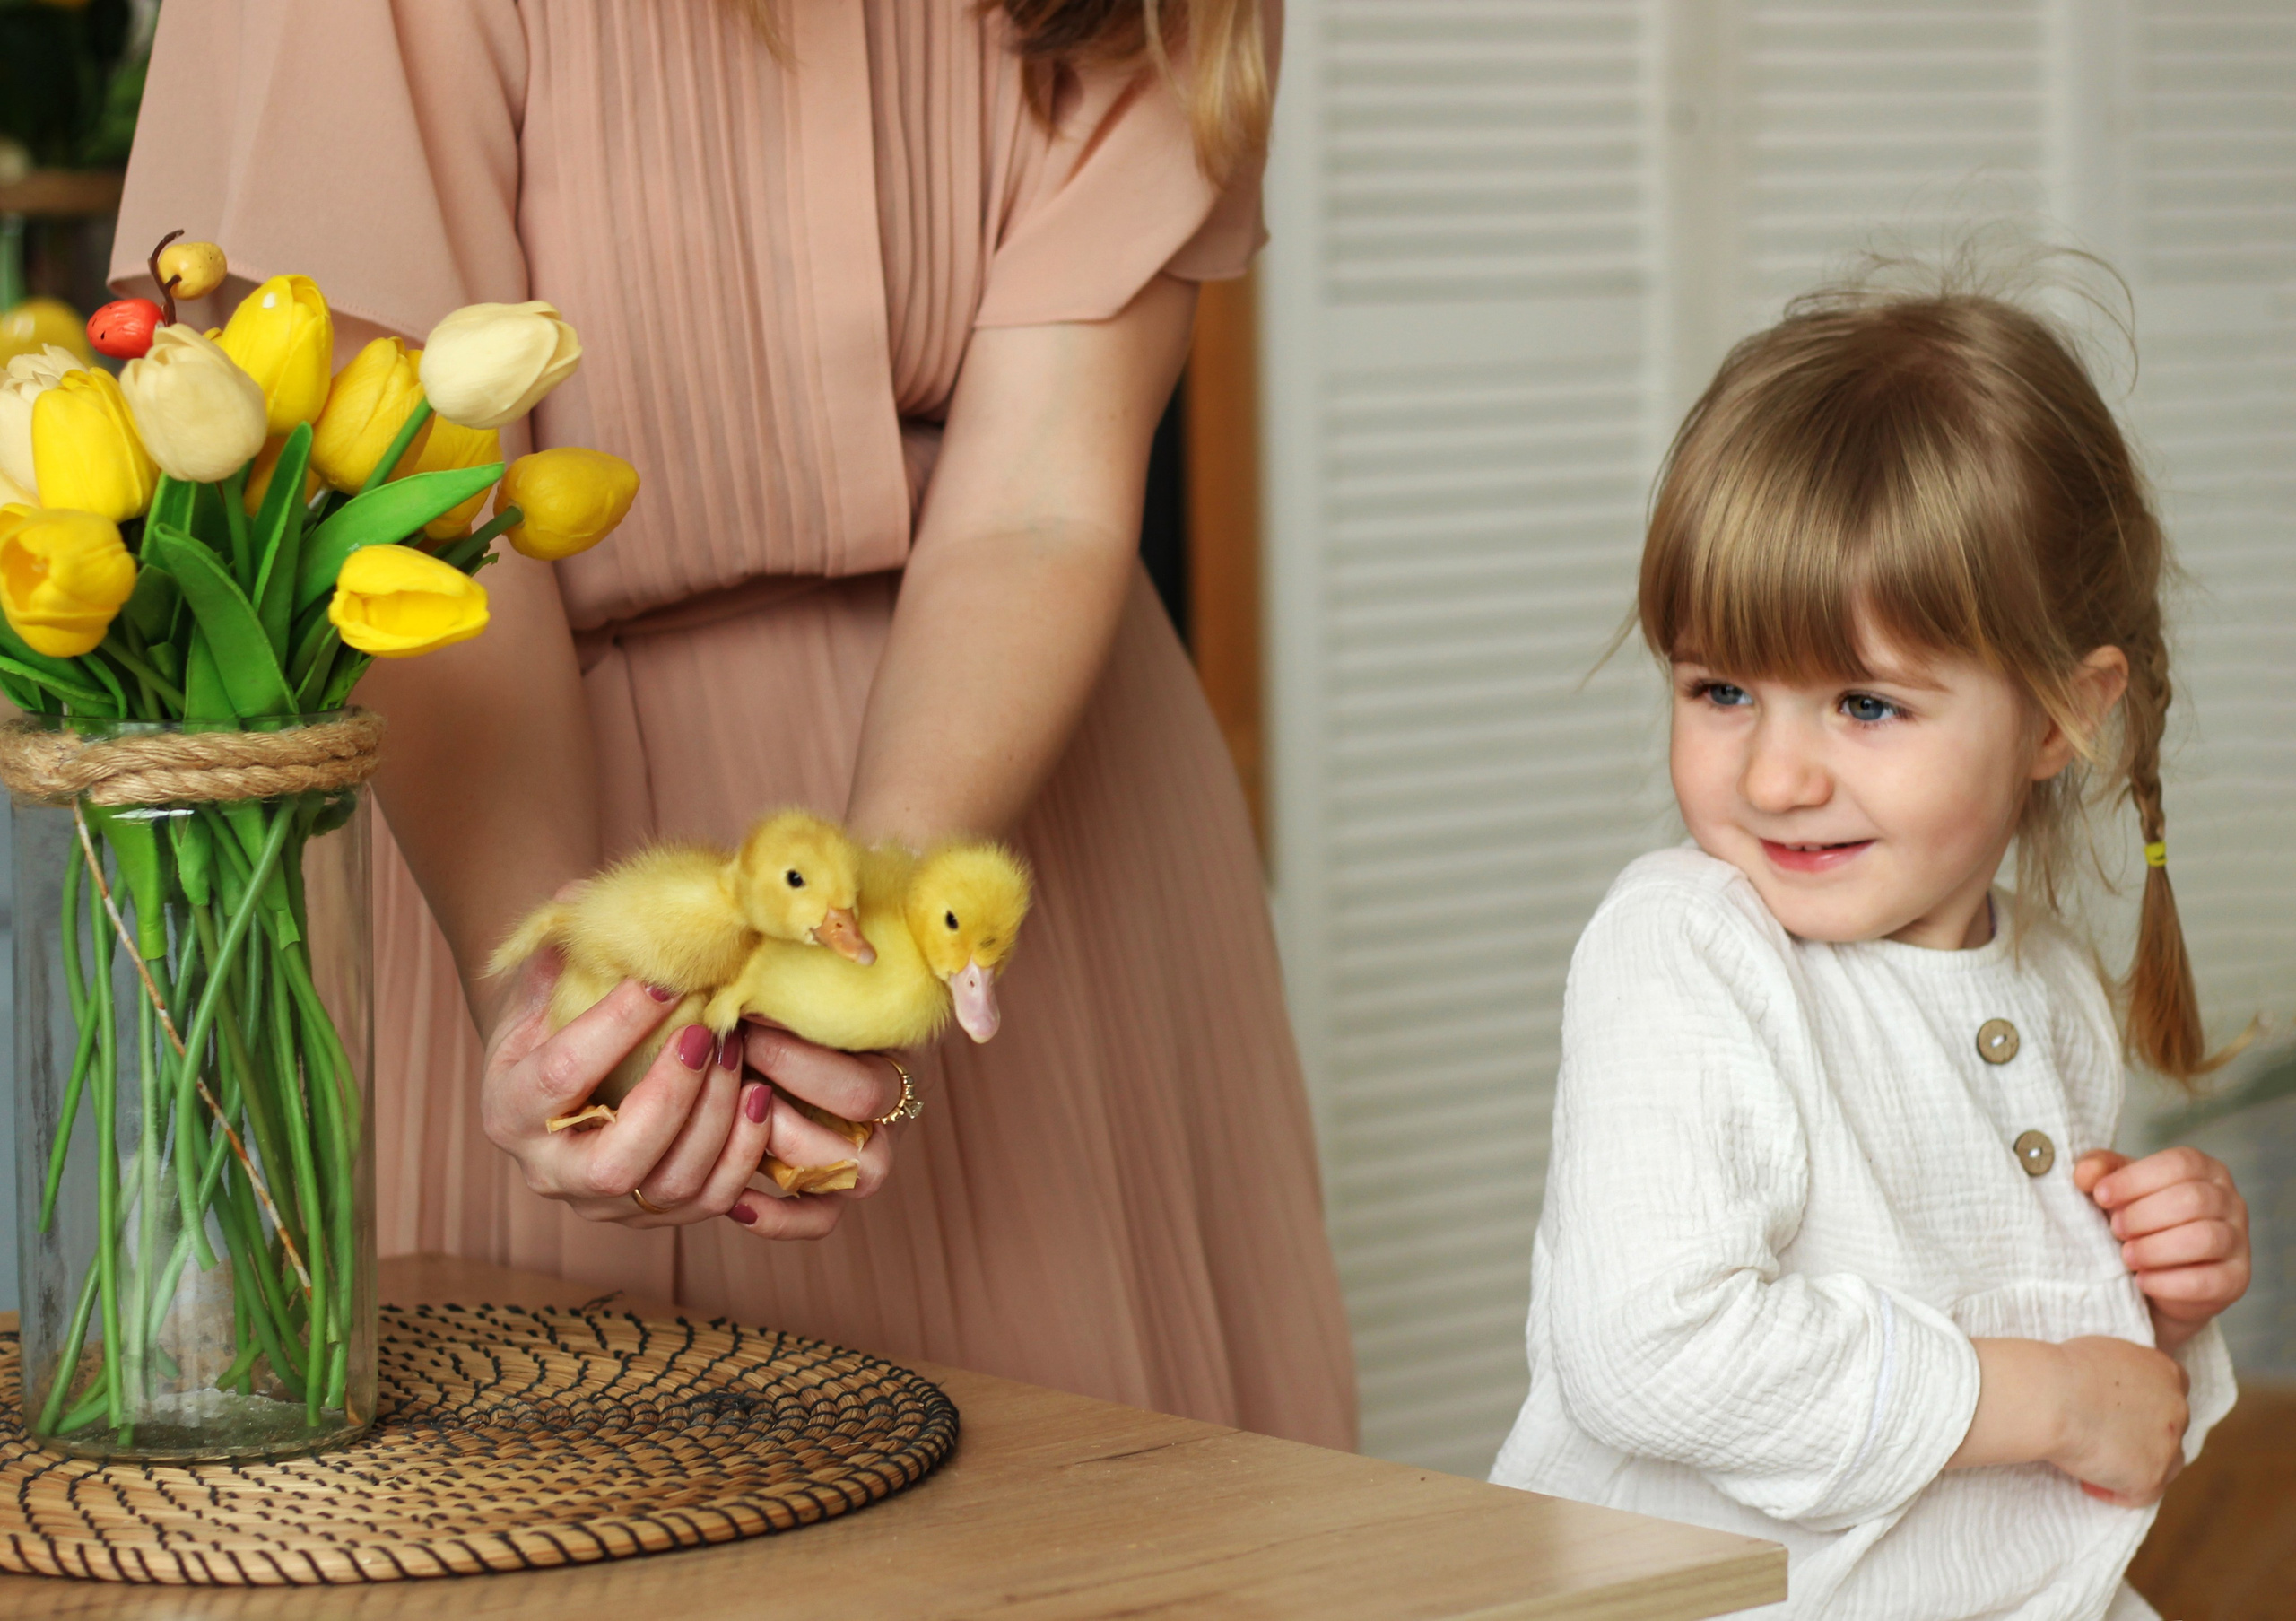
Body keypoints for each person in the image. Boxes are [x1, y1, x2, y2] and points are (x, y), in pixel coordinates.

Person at [112, 0, 1355, 1451]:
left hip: (1025, 820)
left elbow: (1038, 501)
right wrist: (567, 1007)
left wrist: (875, 940)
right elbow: (408, 493)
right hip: (494, 807)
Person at [1489, 274, 2249, 1618]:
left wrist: (2157, 1310)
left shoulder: (2052, 992)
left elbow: (2076, 1433)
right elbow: (1649, 1350)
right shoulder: (1687, 950)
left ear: (2063, 717)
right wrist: (2061, 1397)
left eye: (1864, 704)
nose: (1776, 777)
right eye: (1721, 689)